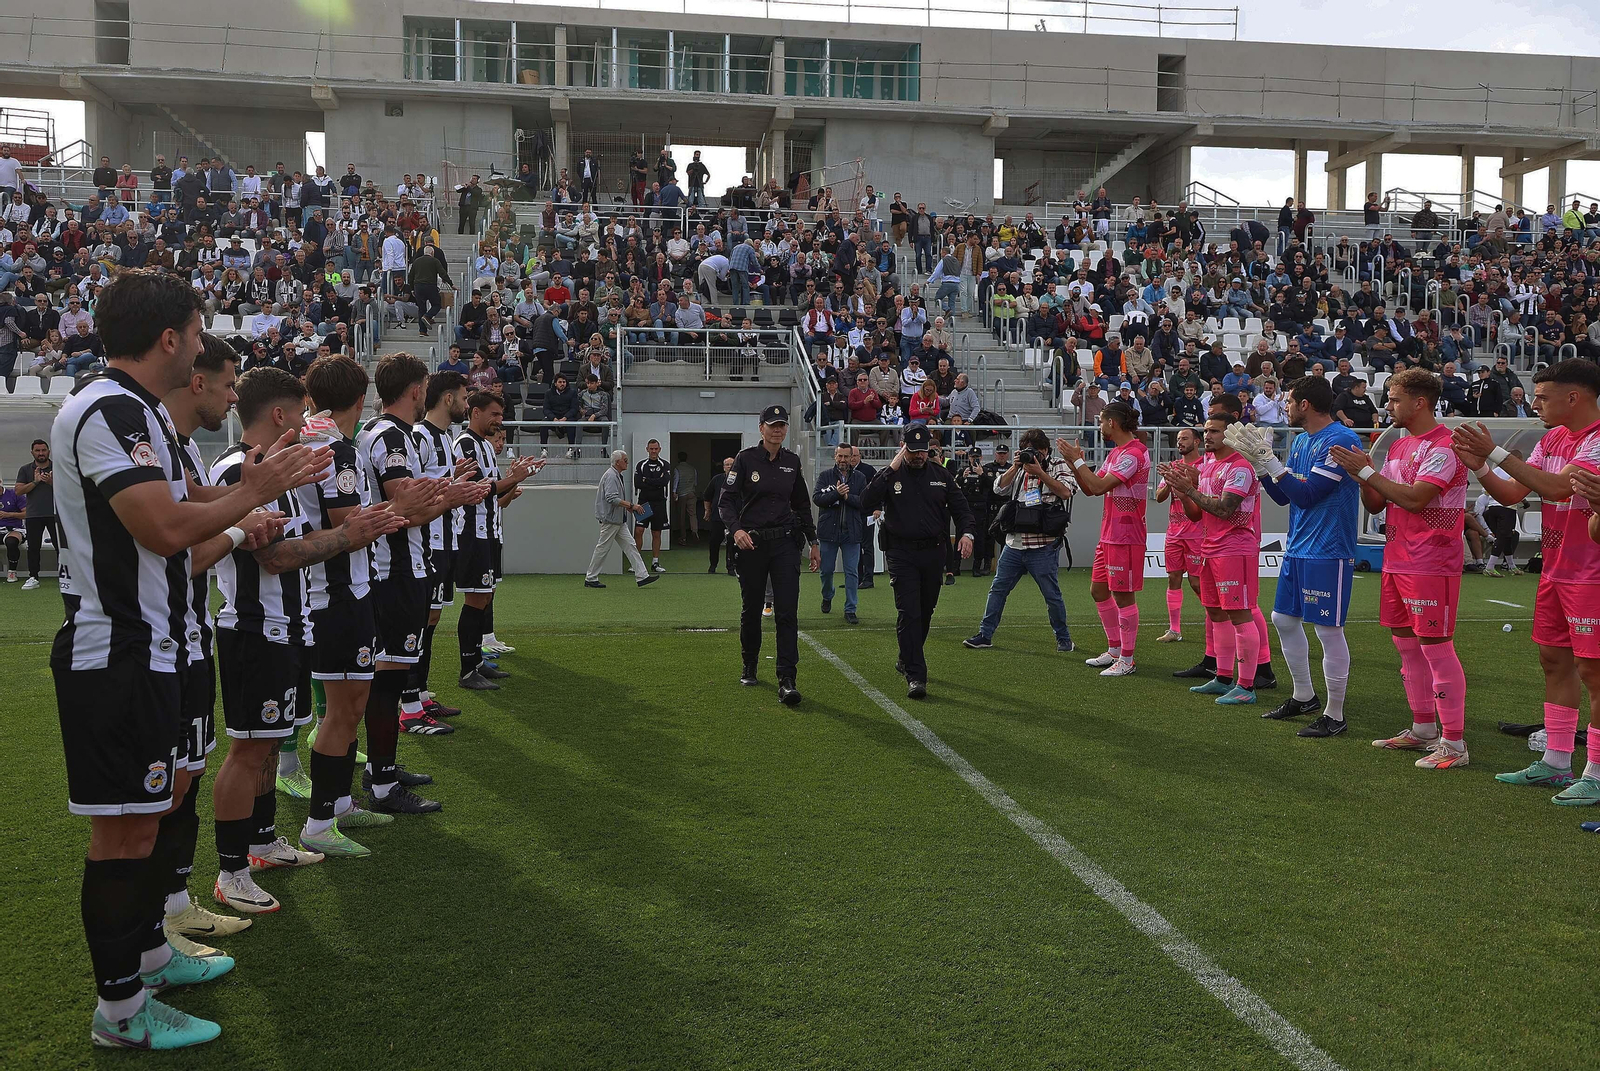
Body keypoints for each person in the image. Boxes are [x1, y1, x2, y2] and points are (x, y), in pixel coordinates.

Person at [52, 270, 329, 1050]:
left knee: (157, 811)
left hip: (164, 647)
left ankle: (146, 957)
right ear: (171, 339)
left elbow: (198, 511)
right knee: (124, 837)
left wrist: (256, 494)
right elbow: (167, 528)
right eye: (202, 332)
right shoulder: (106, 408)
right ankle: (120, 1013)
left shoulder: (140, 415)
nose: (207, 347)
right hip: (121, 653)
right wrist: (261, 485)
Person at [209, 366, 404, 911]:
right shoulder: (235, 472)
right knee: (247, 750)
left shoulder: (275, 477)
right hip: (253, 628)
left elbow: (296, 544)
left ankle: (264, 839)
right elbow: (271, 558)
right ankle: (231, 871)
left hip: (286, 626)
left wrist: (352, 530)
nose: (307, 421)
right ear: (278, 415)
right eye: (299, 412)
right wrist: (348, 534)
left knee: (267, 743)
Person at [1455, 360, 1600, 797]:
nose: (1534, 403)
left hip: (1591, 574)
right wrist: (1481, 467)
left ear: (1572, 398)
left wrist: (1495, 453)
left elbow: (1558, 488)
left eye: (1542, 396)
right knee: (1553, 661)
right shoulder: (1553, 436)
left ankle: (1595, 773)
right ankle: (1556, 761)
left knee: (1594, 672)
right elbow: (1514, 492)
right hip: (1557, 569)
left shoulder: (1596, 440)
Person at [290, 356, 411, 859]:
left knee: (349, 707)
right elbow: (347, 521)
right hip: (337, 593)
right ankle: (320, 822)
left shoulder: (318, 445)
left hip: (337, 592)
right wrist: (406, 508)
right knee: (343, 711)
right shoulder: (336, 450)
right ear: (359, 400)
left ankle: (338, 803)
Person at [358, 353, 486, 813]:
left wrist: (445, 489)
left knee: (389, 676)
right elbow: (404, 507)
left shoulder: (387, 433)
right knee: (388, 677)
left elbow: (411, 500)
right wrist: (449, 495)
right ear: (416, 389)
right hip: (394, 570)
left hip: (401, 567)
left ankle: (382, 771)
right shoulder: (391, 435)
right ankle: (381, 785)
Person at [1329, 367, 1471, 770]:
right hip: (1397, 557)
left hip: (1431, 560)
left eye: (1393, 399)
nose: (1387, 405)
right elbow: (1378, 504)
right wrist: (1360, 475)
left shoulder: (1445, 446)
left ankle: (1455, 743)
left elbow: (1415, 499)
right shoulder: (1397, 447)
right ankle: (1423, 729)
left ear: (1419, 402)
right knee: (1406, 645)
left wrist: (1367, 471)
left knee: (1436, 648)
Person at [1226, 376, 1363, 737]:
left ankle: (1335, 714)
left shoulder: (1340, 440)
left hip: (1328, 549)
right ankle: (1304, 695)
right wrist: (1260, 465)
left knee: (1328, 630)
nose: (1285, 407)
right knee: (1283, 619)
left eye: (1289, 401)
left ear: (1305, 404)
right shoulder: (1303, 441)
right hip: (1300, 546)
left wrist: (1271, 463)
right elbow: (1286, 496)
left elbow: (1308, 494)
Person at [862, 422, 975, 698]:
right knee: (909, 611)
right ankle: (916, 674)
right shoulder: (891, 475)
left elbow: (962, 509)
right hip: (901, 553)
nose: (918, 456)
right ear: (904, 449)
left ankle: (906, 656)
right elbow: (866, 501)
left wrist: (967, 534)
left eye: (922, 451)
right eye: (912, 451)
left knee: (925, 612)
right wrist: (890, 469)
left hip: (934, 552)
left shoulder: (941, 475)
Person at [1159, 414, 1266, 705]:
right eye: (1206, 431)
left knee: (1240, 615)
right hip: (1209, 548)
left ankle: (1246, 687)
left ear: (1229, 435)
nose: (1208, 436)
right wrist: (1182, 493)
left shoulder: (1241, 468)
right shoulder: (1208, 468)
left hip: (1234, 549)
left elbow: (1224, 510)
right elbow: (1198, 515)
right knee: (1216, 613)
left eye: (1214, 431)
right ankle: (1222, 677)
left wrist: (1190, 489)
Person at [719, 405, 821, 706]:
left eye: (782, 425)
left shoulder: (792, 461)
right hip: (752, 545)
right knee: (751, 608)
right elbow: (726, 502)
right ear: (761, 427)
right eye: (772, 425)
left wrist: (813, 541)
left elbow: (802, 505)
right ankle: (749, 662)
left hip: (785, 545)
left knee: (787, 611)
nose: (777, 430)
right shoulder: (745, 458)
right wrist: (736, 530)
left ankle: (787, 678)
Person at [454, 392, 543, 692]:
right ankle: (468, 670)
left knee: (486, 596)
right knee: (476, 598)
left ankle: (477, 661)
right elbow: (481, 490)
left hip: (488, 531)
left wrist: (519, 477)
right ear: (475, 412)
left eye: (501, 416)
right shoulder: (466, 444)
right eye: (495, 414)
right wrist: (514, 476)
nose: (499, 421)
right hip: (472, 532)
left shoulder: (484, 446)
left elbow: (496, 495)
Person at [962, 429, 1076, 653]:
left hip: (1043, 544)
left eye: (1036, 451)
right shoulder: (1019, 468)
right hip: (1014, 544)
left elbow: (1066, 492)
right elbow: (998, 488)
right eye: (1027, 451)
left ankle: (1063, 638)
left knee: (1052, 596)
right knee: (998, 590)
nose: (1032, 455)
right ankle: (985, 634)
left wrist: (1040, 472)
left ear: (1045, 450)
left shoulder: (1057, 465)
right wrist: (1015, 466)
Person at [1060, 402, 1149, 677]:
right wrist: (1074, 465)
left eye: (1101, 421)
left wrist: (1077, 460)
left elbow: (1097, 486)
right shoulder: (1116, 454)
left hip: (1126, 535)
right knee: (1099, 590)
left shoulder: (1133, 454)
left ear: (1112, 423)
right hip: (1110, 534)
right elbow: (1090, 490)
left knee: (1123, 596)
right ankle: (1114, 649)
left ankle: (1128, 658)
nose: (1099, 427)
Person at [411, 371, 472, 723]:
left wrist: (453, 478)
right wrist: (448, 485)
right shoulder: (421, 436)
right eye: (463, 397)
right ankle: (412, 698)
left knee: (431, 618)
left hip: (445, 540)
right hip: (428, 543)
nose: (466, 404)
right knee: (422, 620)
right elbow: (414, 488)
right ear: (448, 399)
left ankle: (420, 692)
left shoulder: (445, 437)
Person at [1154, 426, 1204, 643]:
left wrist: (1193, 481)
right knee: (1173, 578)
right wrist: (1168, 481)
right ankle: (1174, 629)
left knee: (1197, 582)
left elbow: (1210, 493)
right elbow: (1159, 497)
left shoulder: (1205, 466)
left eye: (1185, 438)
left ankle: (1220, 618)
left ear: (1197, 442)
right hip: (1174, 533)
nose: (1180, 442)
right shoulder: (1173, 467)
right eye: (1178, 439)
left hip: (1197, 532)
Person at [585, 450, 660, 590]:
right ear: (617, 462)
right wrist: (632, 506)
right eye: (625, 460)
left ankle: (642, 576)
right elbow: (611, 498)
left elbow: (613, 498)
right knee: (603, 549)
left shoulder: (614, 475)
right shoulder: (612, 476)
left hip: (617, 519)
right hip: (611, 520)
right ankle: (590, 577)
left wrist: (628, 507)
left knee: (630, 545)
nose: (627, 462)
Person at [814, 443, 867, 624]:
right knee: (826, 571)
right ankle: (827, 595)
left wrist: (847, 497)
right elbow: (817, 499)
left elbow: (864, 502)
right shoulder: (825, 476)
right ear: (835, 457)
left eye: (847, 456)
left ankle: (850, 609)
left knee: (852, 572)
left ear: (852, 457)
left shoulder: (860, 478)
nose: (843, 460)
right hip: (828, 531)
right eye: (840, 456)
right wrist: (837, 494)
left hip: (852, 533)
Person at [15, 438, 59, 590]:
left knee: (60, 546)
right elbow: (18, 491)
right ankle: (33, 576)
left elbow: (72, 488)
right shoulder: (25, 469)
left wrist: (51, 482)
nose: (41, 453)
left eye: (43, 450)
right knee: (33, 547)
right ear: (32, 452)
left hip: (55, 514)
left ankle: (65, 576)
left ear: (48, 451)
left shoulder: (58, 467)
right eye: (37, 450)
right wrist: (35, 481)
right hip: (34, 515)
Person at [633, 438, 672, 572]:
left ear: (659, 449)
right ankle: (636, 563)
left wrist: (647, 480)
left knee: (656, 532)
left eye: (656, 449)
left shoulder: (665, 465)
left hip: (659, 503)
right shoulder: (641, 465)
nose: (653, 451)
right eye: (651, 449)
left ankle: (655, 563)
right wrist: (655, 481)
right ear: (647, 449)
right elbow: (638, 483)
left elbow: (664, 482)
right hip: (644, 503)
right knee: (639, 531)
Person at [702, 456, 739, 576]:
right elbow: (707, 496)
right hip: (717, 517)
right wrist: (707, 511)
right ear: (723, 468)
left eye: (732, 464)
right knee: (714, 542)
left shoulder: (741, 480)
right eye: (727, 465)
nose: (729, 467)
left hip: (734, 518)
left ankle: (731, 567)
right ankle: (713, 565)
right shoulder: (716, 480)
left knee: (732, 543)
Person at [0, 480, 22, 581]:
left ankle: (12, 572)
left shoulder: (14, 494)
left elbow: (28, 513)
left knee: (11, 542)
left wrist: (9, 514)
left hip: (14, 528)